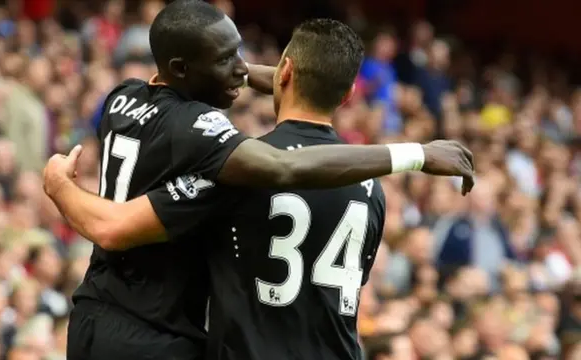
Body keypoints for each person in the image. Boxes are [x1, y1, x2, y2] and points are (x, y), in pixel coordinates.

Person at [42, 1, 474, 360]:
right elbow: (284, 167)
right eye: (227, 59)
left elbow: (219, 74)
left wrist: (60, 181)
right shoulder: (215, 142)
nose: (242, 71)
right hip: (157, 334)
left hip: (101, 311)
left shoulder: (125, 96)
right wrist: (415, 153)